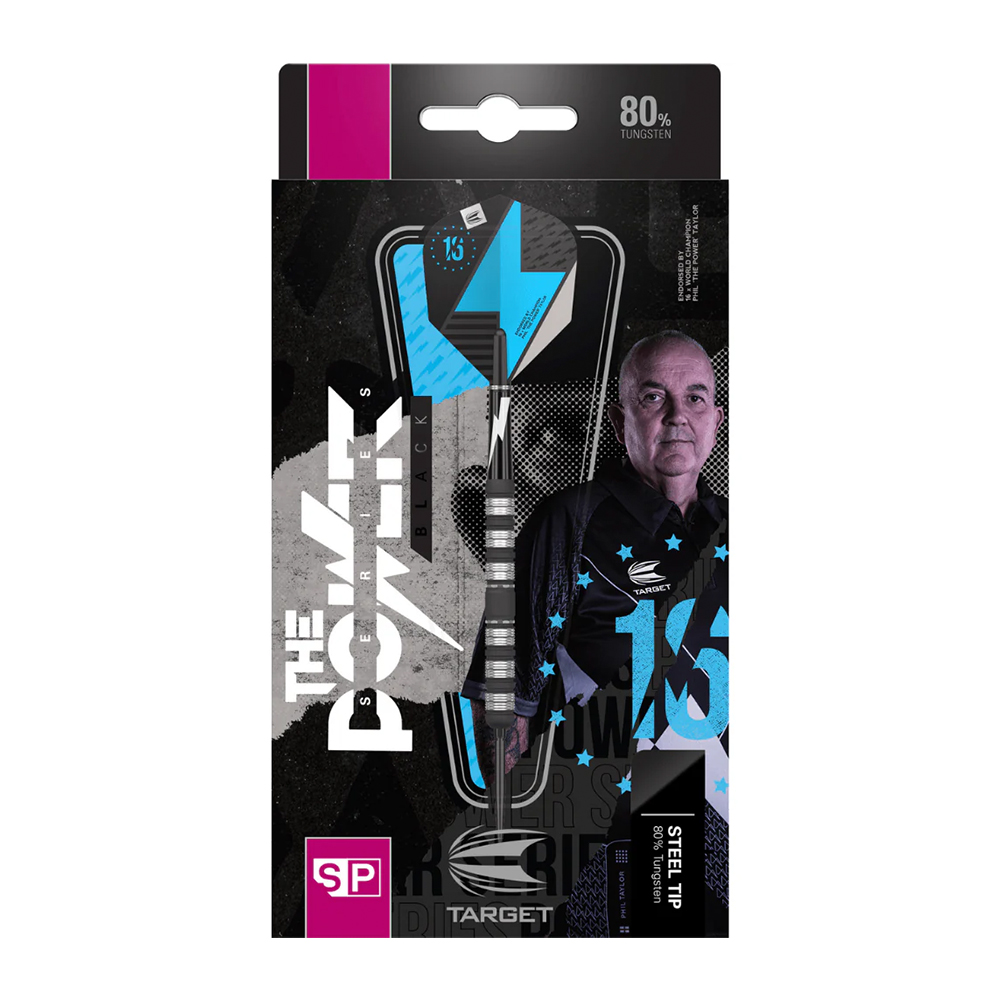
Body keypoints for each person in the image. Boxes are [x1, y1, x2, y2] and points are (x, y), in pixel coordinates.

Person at [461, 331, 728, 775]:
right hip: (610, 799)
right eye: (653, 398)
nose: (678, 416)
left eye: (695, 399)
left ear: (715, 422)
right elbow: (500, 695)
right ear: (619, 421)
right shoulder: (568, 522)